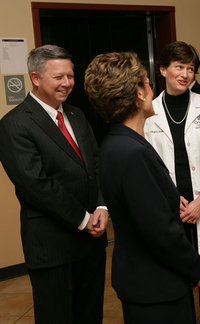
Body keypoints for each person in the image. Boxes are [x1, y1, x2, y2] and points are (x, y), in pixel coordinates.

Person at [84, 51, 200, 324]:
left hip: (146, 281)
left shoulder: (119, 142)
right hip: (155, 286)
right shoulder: (130, 152)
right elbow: (159, 230)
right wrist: (193, 267)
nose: (152, 88)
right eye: (147, 83)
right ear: (139, 94)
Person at [0, 45, 108, 324]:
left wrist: (101, 205)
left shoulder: (76, 115)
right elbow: (35, 184)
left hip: (91, 243)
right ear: (35, 78)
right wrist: (84, 219)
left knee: (90, 313)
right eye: (59, 77)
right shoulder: (14, 124)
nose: (68, 83)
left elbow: (95, 166)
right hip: (52, 245)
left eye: (70, 76)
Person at [144, 41, 200, 324]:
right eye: (178, 67)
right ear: (163, 70)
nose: (185, 74)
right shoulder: (148, 112)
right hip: (172, 206)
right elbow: (148, 164)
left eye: (191, 68)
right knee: (176, 282)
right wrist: (172, 199)